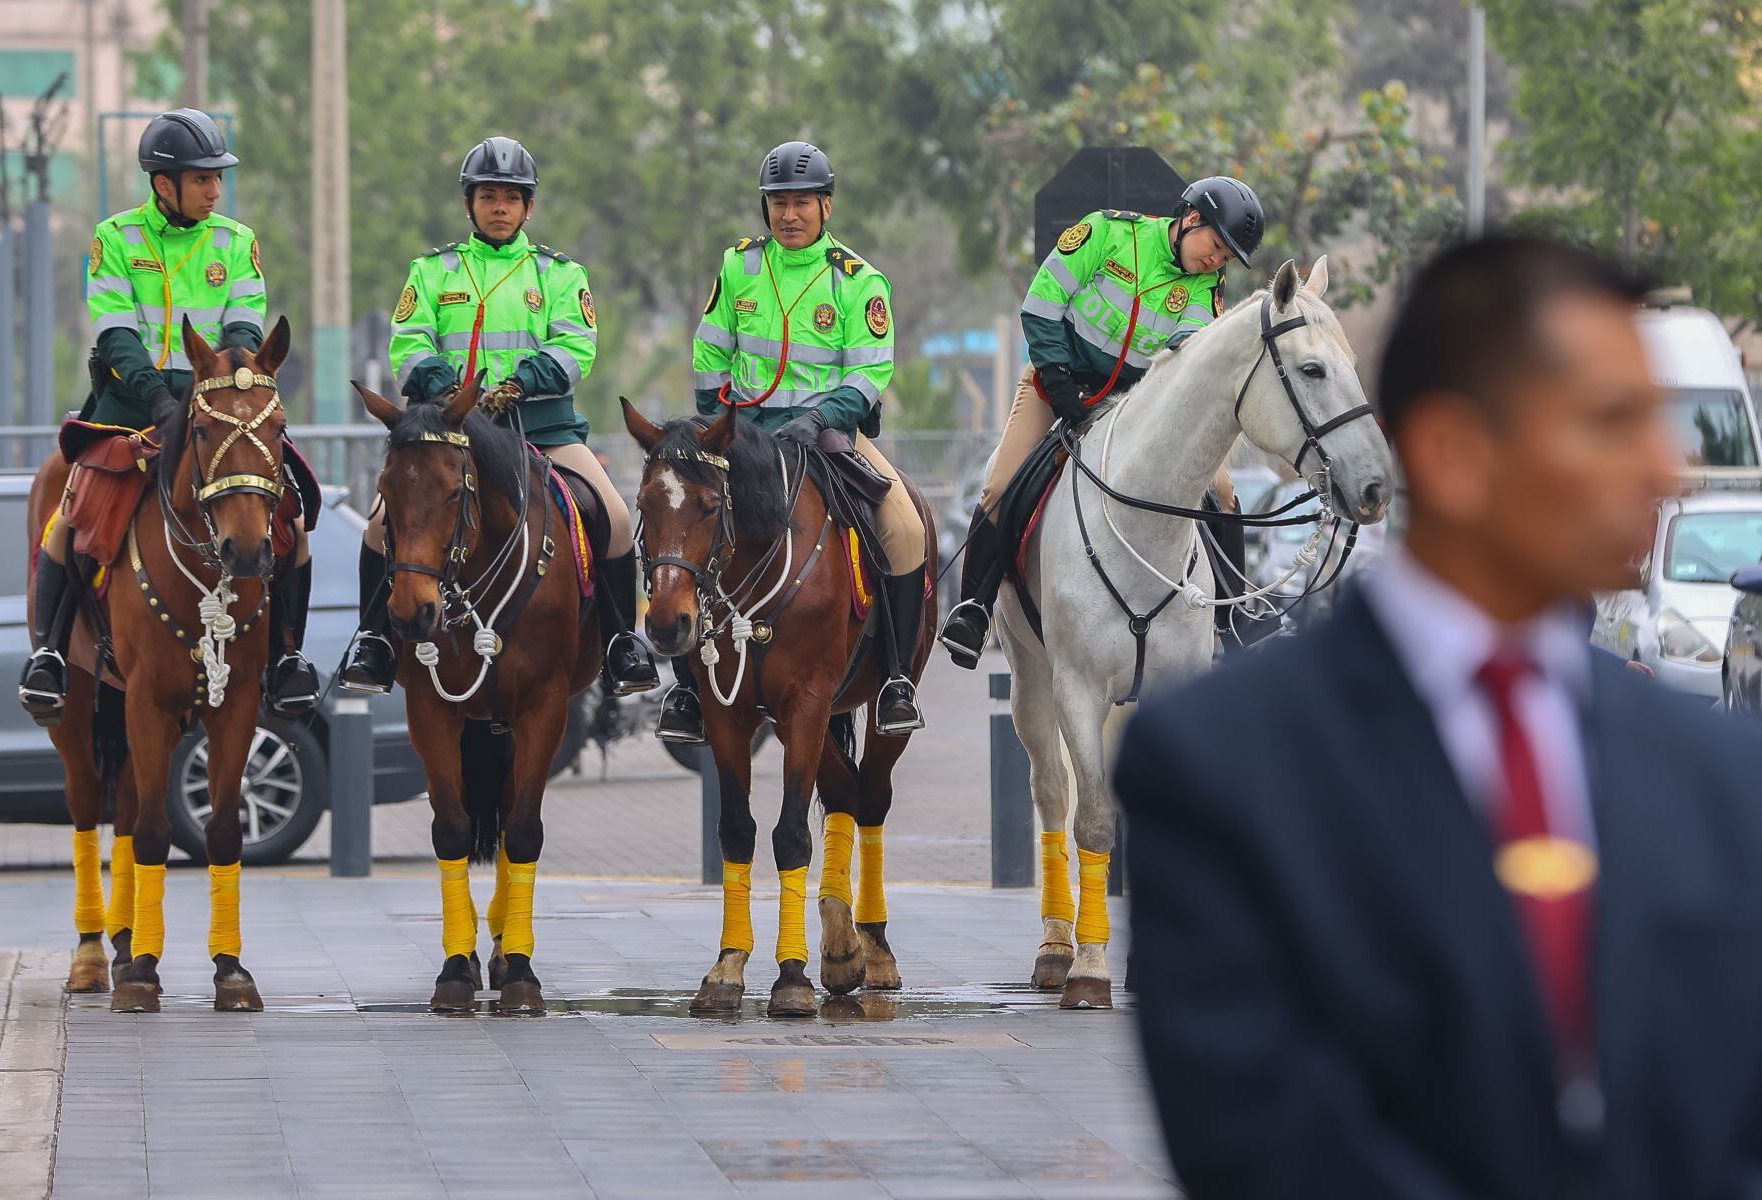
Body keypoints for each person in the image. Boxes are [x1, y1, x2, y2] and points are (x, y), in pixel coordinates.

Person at [1114, 235, 1762, 1198]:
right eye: (1610, 421)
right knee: (1007, 496)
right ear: (1456, 454)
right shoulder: (1223, 770)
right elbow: (1265, 1141)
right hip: (1070, 400)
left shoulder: (1717, 775)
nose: (1665, 469)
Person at [19, 108, 319, 725]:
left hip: (217, 404)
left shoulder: (237, 241)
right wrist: (159, 396)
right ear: (164, 184)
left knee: (291, 518)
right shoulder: (115, 237)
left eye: (218, 178)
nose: (216, 189)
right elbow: (114, 332)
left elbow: (243, 323)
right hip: (133, 407)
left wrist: (226, 379)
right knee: (71, 515)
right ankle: (49, 654)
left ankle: (289, 656)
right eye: (203, 178)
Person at [337, 135, 658, 697]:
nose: (500, 207)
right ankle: (375, 642)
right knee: (378, 524)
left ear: (529, 207)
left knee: (616, 518)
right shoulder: (433, 271)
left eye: (512, 197)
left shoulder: (560, 275)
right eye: (489, 196)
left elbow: (575, 347)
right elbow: (409, 344)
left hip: (542, 430)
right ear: (470, 204)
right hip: (446, 433)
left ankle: (618, 645)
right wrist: (446, 388)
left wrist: (523, 381)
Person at [656, 140, 927, 742]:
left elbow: (868, 370)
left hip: (825, 434)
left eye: (802, 202)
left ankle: (896, 680)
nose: (789, 215)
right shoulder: (739, 265)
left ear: (826, 207)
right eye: (778, 203)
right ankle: (684, 690)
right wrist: (719, 423)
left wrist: (824, 414)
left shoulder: (860, 281)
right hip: (743, 437)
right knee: (671, 522)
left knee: (905, 528)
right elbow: (709, 351)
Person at [938, 176, 1265, 667]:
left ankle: (1232, 616)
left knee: (1220, 488)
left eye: (1226, 259)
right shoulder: (1105, 234)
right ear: (1191, 219)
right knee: (1001, 485)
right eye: (1216, 247)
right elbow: (1042, 303)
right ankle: (974, 610)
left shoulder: (1205, 285)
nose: (1216, 262)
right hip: (1057, 384)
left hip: (1137, 405)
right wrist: (1059, 379)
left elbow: (1189, 354)